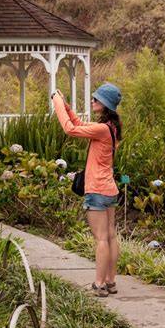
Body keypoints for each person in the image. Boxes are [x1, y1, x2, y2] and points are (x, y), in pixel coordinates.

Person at [52, 83, 122, 297]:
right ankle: (110, 281)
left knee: (101, 238)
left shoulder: (102, 129)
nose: (92, 102)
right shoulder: (111, 128)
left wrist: (56, 104)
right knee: (110, 236)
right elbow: (79, 123)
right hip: (110, 189)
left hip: (97, 190)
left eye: (96, 100)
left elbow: (70, 129)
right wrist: (67, 106)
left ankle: (99, 284)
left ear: (106, 105)